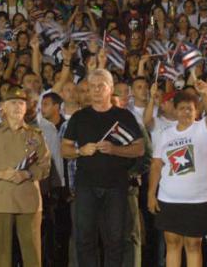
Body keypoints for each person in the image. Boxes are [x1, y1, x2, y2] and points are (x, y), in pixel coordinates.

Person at [61, 69, 145, 267]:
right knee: (84, 240)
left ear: (111, 88)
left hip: (116, 186)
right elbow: (64, 149)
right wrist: (80, 151)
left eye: (101, 85)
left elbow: (140, 149)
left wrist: (115, 149)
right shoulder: (79, 117)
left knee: (115, 241)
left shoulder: (124, 116)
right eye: (92, 86)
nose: (96, 90)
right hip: (86, 187)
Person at [0, 86, 51, 267]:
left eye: (21, 103)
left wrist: (27, 173)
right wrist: (0, 173)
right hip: (1, 199)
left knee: (32, 253)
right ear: (3, 107)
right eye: (13, 103)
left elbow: (45, 165)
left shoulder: (36, 135)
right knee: (1, 254)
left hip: (28, 200)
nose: (18, 107)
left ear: (26, 108)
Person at [147, 80, 207, 267]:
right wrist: (150, 194)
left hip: (198, 200)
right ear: (175, 111)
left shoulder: (203, 128)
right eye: (182, 108)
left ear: (196, 111)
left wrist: (205, 94)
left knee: (194, 245)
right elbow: (156, 165)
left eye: (190, 108)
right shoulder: (165, 134)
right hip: (168, 199)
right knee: (172, 243)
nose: (186, 112)